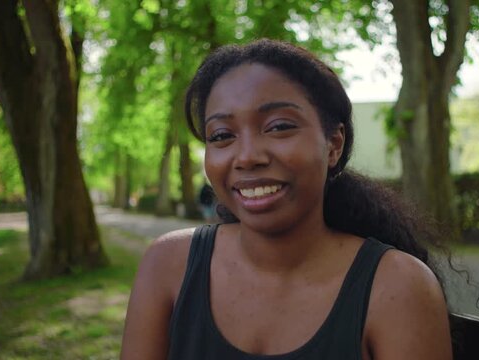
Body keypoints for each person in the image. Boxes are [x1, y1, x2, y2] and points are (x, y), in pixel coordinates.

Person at [121, 39, 452, 359]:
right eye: (222, 135)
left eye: (279, 127)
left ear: (333, 145)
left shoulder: (398, 287)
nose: (247, 157)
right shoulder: (168, 266)